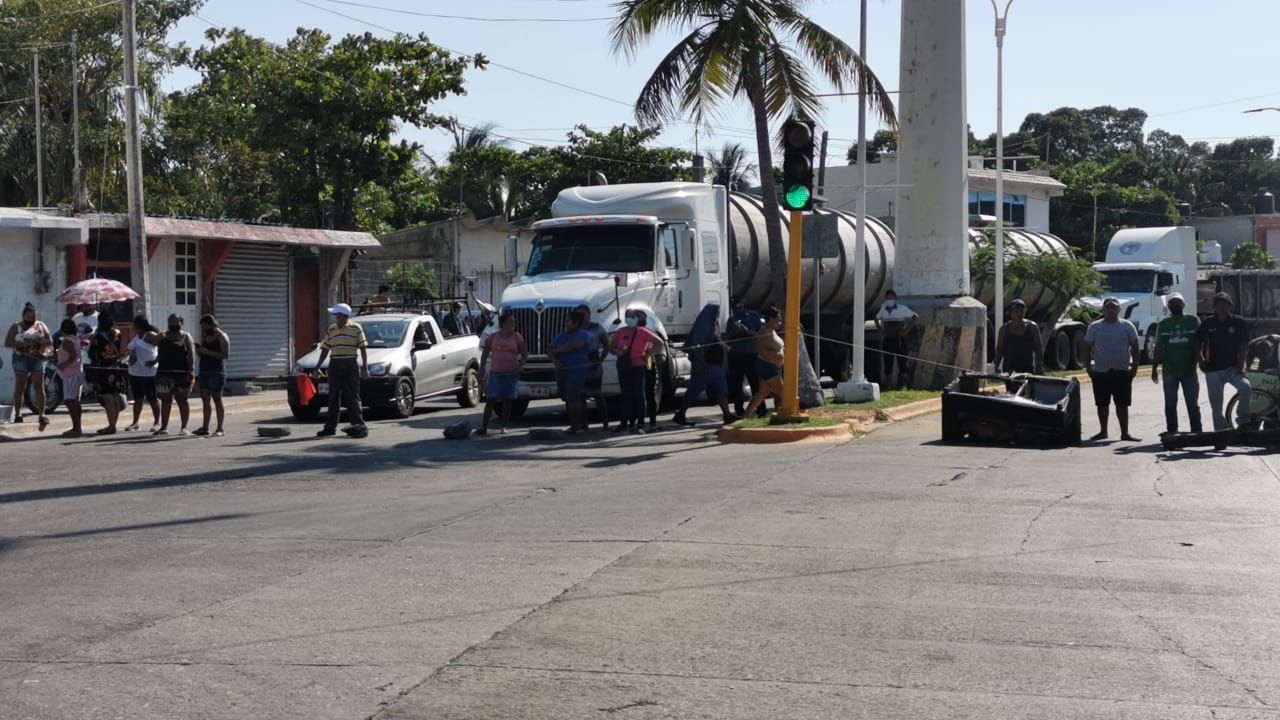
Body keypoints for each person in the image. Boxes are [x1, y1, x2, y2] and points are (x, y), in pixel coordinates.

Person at [1084, 296, 1140, 442]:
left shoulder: (1127, 326)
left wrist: (1134, 367)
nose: (1111, 310)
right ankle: (1103, 431)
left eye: (1114, 307)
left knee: (1122, 404)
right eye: (1108, 307)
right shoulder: (1095, 326)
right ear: (1103, 309)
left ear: (1119, 309)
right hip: (1101, 371)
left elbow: (1135, 346)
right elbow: (1087, 347)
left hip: (1121, 371)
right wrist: (1088, 367)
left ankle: (1125, 433)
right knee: (1102, 404)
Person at [1196, 291, 1252, 433]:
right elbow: (1196, 343)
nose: (1223, 307)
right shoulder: (1208, 323)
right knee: (1216, 408)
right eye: (1219, 303)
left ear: (1230, 306)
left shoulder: (1238, 322)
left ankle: (1243, 422)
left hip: (1233, 369)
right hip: (1213, 370)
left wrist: (1241, 364)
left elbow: (1244, 345)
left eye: (1226, 303)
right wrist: (1200, 360)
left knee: (1246, 387)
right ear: (1214, 306)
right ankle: (1221, 434)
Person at [314, 303, 369, 438]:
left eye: (337, 315)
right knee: (333, 397)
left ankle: (359, 425)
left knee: (352, 396)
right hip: (334, 363)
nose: (335, 317)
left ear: (343, 316)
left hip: (350, 363)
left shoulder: (356, 328)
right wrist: (318, 367)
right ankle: (330, 427)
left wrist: (365, 368)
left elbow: (363, 348)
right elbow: (325, 349)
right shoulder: (332, 329)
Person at [1150, 292, 1202, 435]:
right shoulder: (1163, 324)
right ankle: (1172, 431)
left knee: (1192, 403)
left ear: (1183, 305)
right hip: (1170, 370)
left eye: (1178, 303)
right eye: (1172, 303)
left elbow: (1199, 343)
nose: (1175, 305)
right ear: (1169, 306)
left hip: (1189, 370)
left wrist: (1199, 360)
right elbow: (1159, 347)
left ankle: (1197, 431)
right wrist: (1154, 368)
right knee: (1170, 404)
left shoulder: (1193, 320)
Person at [477, 310, 526, 435]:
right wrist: (482, 368)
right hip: (496, 374)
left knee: (507, 401)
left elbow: (524, 354)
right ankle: (484, 427)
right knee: (491, 400)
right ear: (503, 323)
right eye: (511, 322)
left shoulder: (517, 337)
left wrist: (521, 365)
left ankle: (504, 426)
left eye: (514, 322)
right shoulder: (493, 337)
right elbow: (485, 353)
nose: (513, 324)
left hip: (511, 374)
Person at [5, 302, 52, 429]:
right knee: (20, 386)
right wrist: (23, 344)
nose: (31, 319)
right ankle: (18, 414)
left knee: (39, 386)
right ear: (24, 315)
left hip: (37, 358)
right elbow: (8, 342)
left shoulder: (40, 325)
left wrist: (39, 341)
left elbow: (50, 340)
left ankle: (41, 414)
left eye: (33, 316)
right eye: (29, 316)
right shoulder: (16, 326)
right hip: (21, 359)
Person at [672, 335, 738, 426]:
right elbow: (697, 345)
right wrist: (700, 362)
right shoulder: (705, 326)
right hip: (706, 366)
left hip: (717, 367)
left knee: (721, 392)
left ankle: (727, 415)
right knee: (693, 391)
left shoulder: (713, 326)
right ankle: (680, 414)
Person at [549, 312, 593, 433]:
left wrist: (558, 350)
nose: (566, 323)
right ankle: (574, 424)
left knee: (574, 398)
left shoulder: (583, 335)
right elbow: (550, 349)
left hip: (576, 371)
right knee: (568, 399)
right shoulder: (560, 336)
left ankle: (577, 425)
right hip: (562, 371)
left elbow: (574, 345)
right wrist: (555, 360)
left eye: (568, 321)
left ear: (576, 323)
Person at [155, 314, 197, 435]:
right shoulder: (163, 336)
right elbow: (157, 348)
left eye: (175, 322)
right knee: (165, 400)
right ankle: (164, 427)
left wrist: (191, 371)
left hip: (181, 373)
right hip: (164, 373)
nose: (173, 324)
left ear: (181, 322)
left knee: (182, 400)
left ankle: (184, 427)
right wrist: (155, 360)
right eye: (170, 322)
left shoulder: (186, 336)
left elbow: (191, 354)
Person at [574, 304, 611, 431]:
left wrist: (601, 359)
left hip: (594, 362)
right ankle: (584, 424)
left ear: (589, 314)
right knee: (581, 396)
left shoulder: (597, 327)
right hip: (579, 364)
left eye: (583, 314)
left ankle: (605, 422)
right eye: (579, 314)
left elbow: (607, 344)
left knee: (597, 394)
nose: (582, 316)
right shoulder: (575, 328)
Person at [725, 296, 763, 417]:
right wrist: (734, 332)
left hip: (751, 355)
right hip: (736, 355)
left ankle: (761, 409)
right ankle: (739, 410)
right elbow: (728, 341)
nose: (737, 309)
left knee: (755, 383)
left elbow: (761, 334)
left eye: (738, 306)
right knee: (736, 385)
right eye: (734, 307)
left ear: (743, 304)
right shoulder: (731, 320)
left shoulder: (753, 316)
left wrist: (747, 331)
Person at [744, 306, 785, 418]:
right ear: (771, 319)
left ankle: (747, 415)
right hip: (767, 365)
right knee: (784, 393)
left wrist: (780, 353)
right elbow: (760, 349)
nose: (780, 322)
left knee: (763, 393)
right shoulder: (765, 332)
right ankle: (786, 413)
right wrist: (777, 355)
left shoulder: (771, 331)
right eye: (778, 319)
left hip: (770, 365)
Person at [88, 315, 126, 435]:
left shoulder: (98, 336)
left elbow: (92, 353)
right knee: (115, 396)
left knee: (107, 398)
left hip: (103, 368)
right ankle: (113, 424)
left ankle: (111, 426)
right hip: (115, 367)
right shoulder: (117, 334)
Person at [194, 314, 230, 437]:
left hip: (216, 371)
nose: (204, 329)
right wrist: (199, 351)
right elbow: (204, 353)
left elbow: (225, 355)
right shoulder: (206, 335)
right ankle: (205, 427)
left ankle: (220, 428)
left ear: (213, 325)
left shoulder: (222, 336)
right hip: (204, 370)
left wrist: (208, 351)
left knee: (217, 399)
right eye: (203, 327)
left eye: (206, 326)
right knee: (205, 400)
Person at [124, 315, 161, 432]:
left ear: (139, 325)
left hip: (148, 373)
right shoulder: (137, 336)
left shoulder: (149, 335)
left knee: (152, 398)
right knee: (137, 398)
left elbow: (162, 345)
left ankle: (157, 422)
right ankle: (135, 423)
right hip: (135, 372)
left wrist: (156, 360)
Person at [875, 290, 917, 389]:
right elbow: (876, 319)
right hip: (888, 339)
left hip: (900, 339)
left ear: (895, 298)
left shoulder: (902, 309)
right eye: (887, 298)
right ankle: (888, 385)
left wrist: (906, 330)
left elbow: (915, 317)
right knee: (887, 362)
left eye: (891, 298)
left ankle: (903, 385)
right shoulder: (883, 310)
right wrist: (881, 331)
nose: (889, 300)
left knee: (902, 362)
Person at [54, 318, 86, 438]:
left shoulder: (67, 341)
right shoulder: (75, 339)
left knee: (70, 401)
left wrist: (63, 364)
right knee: (74, 401)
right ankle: (77, 427)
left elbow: (74, 356)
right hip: (74, 372)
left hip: (71, 374)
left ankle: (76, 428)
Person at [993, 299, 1043, 374]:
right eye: (1016, 311)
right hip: (1009, 370)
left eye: (1021, 311)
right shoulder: (1004, 330)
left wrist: (1039, 366)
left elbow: (1038, 348)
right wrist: (995, 366)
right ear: (1010, 313)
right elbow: (1000, 349)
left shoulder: (1032, 327)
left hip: (1027, 370)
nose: (1019, 314)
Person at [637, 311, 665, 431]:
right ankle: (639, 422)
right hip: (634, 367)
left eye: (642, 318)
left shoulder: (648, 332)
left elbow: (660, 346)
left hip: (648, 364)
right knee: (638, 394)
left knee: (649, 393)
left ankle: (652, 421)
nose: (640, 320)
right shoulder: (626, 332)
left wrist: (654, 354)